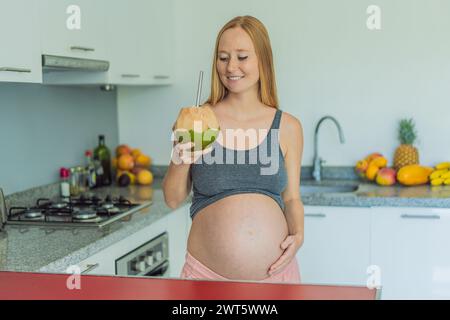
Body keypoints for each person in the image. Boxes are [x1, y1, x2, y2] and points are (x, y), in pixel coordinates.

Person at [162, 15, 304, 283]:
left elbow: (292, 199)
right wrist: (179, 157)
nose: (231, 67)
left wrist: (299, 235)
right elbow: (172, 198)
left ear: (263, 60)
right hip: (206, 278)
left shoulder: (288, 127)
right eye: (223, 57)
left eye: (242, 57)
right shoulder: (196, 121)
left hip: (277, 278)